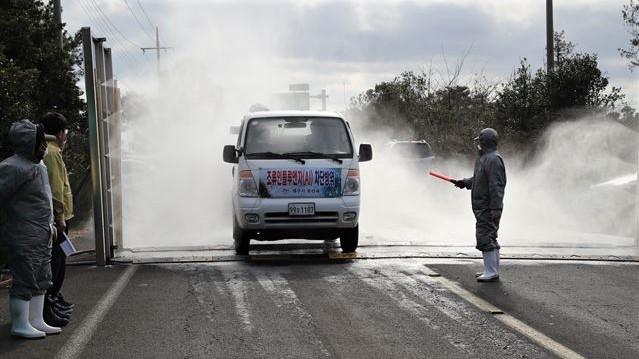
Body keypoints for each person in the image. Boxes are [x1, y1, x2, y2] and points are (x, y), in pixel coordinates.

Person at [0, 120, 61, 338]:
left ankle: (36, 320)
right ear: (28, 143)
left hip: (42, 232)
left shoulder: (38, 165)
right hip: (24, 233)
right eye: (41, 142)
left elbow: (45, 199)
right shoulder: (12, 167)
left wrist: (51, 223)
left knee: (42, 277)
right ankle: (20, 324)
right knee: (25, 279)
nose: (44, 146)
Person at [452, 128, 507, 282]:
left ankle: (491, 271)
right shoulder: (485, 158)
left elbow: (497, 185)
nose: (478, 144)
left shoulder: (493, 159)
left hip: (488, 206)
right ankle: (492, 269)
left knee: (485, 236)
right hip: (483, 206)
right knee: (490, 235)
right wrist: (465, 182)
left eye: (480, 141)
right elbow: (479, 178)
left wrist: (495, 207)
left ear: (484, 142)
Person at [39, 112, 74, 326]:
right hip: (58, 219)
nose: (65, 136)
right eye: (65, 132)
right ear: (59, 133)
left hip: (61, 217)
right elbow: (55, 189)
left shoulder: (52, 152)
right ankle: (48, 305)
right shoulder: (51, 154)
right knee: (54, 263)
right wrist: (60, 217)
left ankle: (53, 299)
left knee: (59, 262)